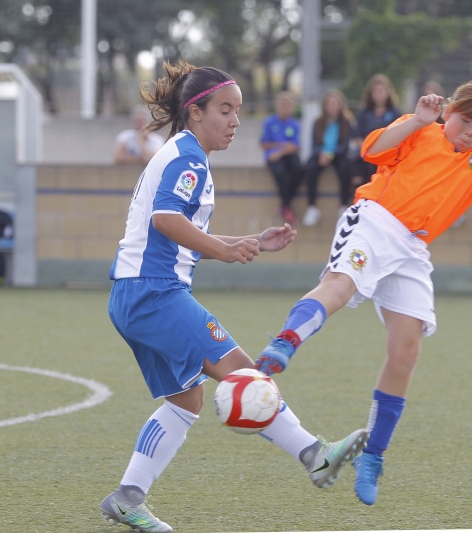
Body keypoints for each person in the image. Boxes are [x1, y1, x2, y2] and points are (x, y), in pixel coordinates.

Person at [255, 77, 472, 506]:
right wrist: (418, 119)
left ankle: (374, 458)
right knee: (339, 286)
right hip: (373, 220)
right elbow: (371, 150)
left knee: (407, 351)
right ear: (449, 111)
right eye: (465, 121)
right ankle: (284, 343)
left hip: (413, 248)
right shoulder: (420, 128)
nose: (471, 132)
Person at [101, 61, 367, 533]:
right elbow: (166, 219)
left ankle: (127, 498)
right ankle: (315, 454)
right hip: (154, 294)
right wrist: (225, 249)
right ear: (196, 111)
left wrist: (250, 241)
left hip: (133, 294)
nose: (235, 121)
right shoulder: (188, 159)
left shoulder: (183, 153)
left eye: (238, 111)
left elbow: (172, 229)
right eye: (225, 109)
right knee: (246, 371)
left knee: (187, 403)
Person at [302, 88, 355, 226]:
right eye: (329, 103)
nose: (332, 106)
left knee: (345, 167)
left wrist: (330, 155)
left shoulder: (346, 122)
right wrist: (321, 154)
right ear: (325, 106)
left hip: (337, 154)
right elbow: (313, 145)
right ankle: (312, 207)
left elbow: (344, 146)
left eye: (335, 103)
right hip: (320, 154)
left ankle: (344, 205)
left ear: (340, 105)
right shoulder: (318, 122)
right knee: (311, 168)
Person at [348, 74, 402, 192]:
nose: (379, 95)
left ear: (388, 92)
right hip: (367, 152)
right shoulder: (363, 113)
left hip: (388, 153)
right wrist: (369, 147)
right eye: (376, 91)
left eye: (381, 91)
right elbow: (357, 134)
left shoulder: (395, 113)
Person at [260, 91, 304, 225]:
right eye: (283, 104)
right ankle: (287, 207)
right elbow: (264, 144)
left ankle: (285, 205)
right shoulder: (269, 122)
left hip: (284, 155)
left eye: (288, 105)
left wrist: (279, 150)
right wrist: (285, 145)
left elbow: (296, 146)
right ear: (277, 106)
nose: (285, 107)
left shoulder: (295, 124)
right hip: (273, 156)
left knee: (299, 171)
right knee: (280, 174)